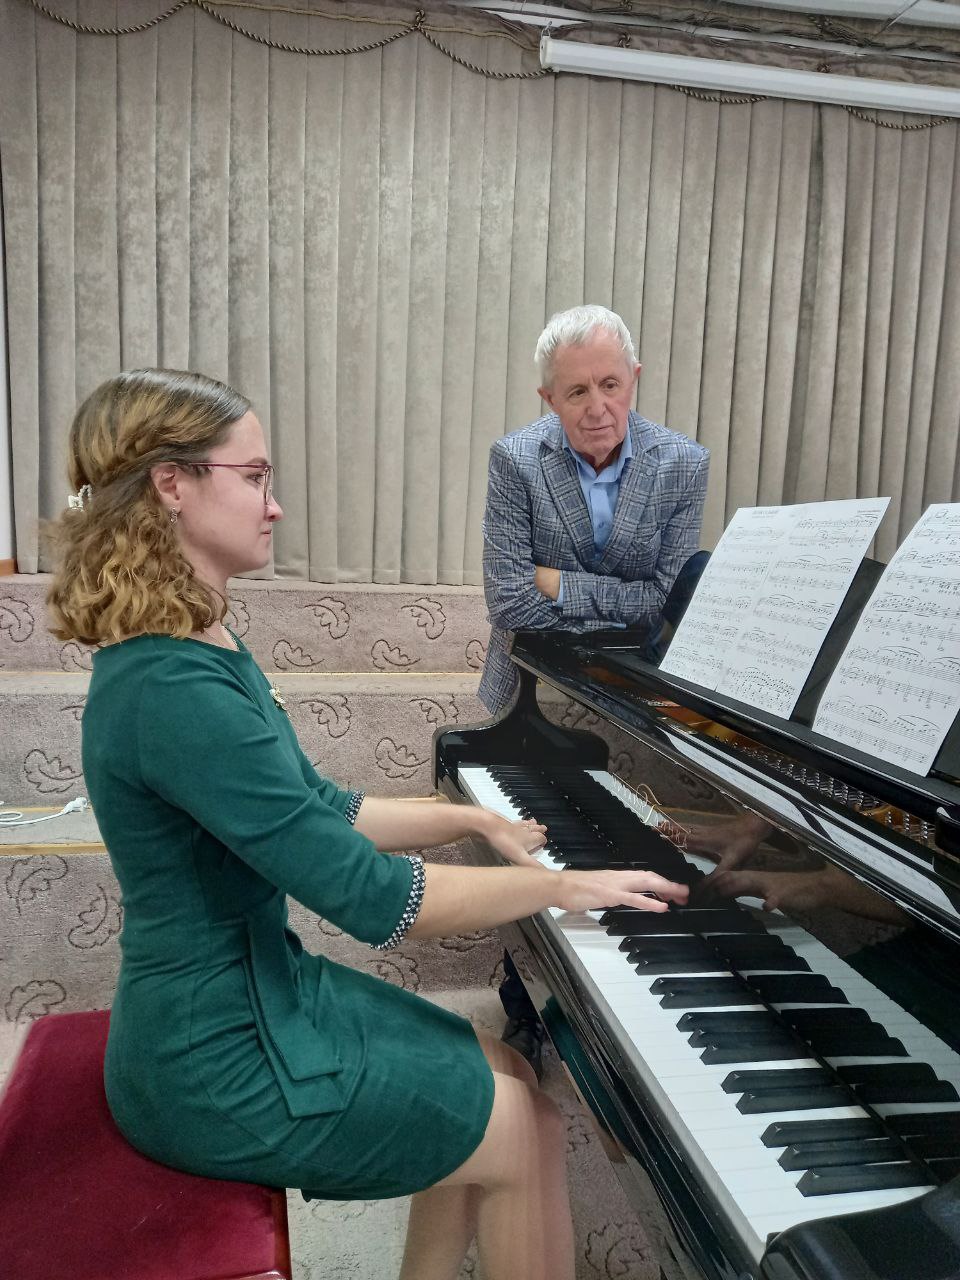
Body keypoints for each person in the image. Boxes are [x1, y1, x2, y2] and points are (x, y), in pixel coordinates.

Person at [46, 368, 689, 1280]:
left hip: (261, 987)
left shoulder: (199, 644)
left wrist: (471, 818)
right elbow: (374, 899)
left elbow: (321, 808)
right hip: (210, 1055)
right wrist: (559, 886)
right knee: (525, 1126)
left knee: (506, 1070)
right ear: (172, 485)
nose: (274, 504)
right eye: (255, 477)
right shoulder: (173, 689)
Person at [478, 306, 709, 1073]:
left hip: (635, 696)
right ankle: (525, 1001)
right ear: (549, 398)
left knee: (631, 848)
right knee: (536, 855)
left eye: (612, 384)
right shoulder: (516, 460)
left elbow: (664, 602)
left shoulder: (682, 464)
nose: (598, 406)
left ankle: (635, 1023)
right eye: (576, 391)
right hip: (531, 689)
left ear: (634, 378)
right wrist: (611, 596)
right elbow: (510, 601)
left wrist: (558, 582)